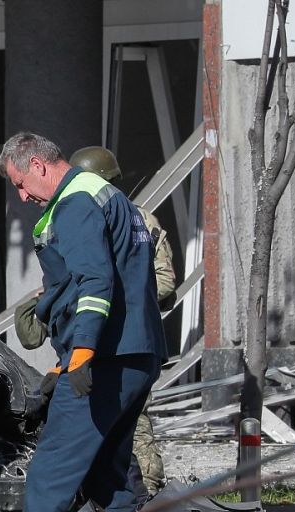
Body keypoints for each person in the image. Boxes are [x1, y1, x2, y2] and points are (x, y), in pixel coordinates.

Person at [0, 132, 166, 512]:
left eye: (20, 184)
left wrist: (79, 355)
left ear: (38, 165)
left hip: (104, 358)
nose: (22, 197)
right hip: (137, 353)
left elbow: (94, 282)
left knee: (55, 461)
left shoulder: (76, 202)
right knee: (110, 469)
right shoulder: (111, 199)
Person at [70, 145, 175, 493]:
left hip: (130, 339)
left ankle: (147, 494)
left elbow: (165, 280)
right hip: (95, 341)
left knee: (135, 424)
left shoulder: (138, 219)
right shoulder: (82, 219)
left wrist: (121, 294)